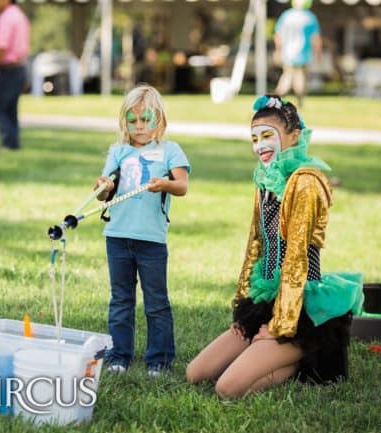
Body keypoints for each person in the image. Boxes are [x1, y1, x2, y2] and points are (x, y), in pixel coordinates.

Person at [186, 95, 363, 398]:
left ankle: (307, 352)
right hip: (268, 296)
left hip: (300, 307)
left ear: (294, 136)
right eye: (254, 138)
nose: (259, 145)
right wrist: (246, 310)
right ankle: (289, 362)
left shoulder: (306, 182)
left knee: (226, 389)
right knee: (196, 374)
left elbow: (296, 259)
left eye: (267, 135)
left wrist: (281, 325)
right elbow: (256, 244)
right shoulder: (266, 179)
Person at [95, 85, 190, 377]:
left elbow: (182, 186)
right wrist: (103, 186)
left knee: (156, 302)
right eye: (132, 120)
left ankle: (159, 360)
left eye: (145, 119)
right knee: (121, 299)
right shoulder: (118, 151)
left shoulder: (169, 150)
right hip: (118, 237)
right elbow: (102, 194)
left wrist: (165, 184)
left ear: (158, 119)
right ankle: (119, 355)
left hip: (150, 240)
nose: (139, 127)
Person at [0, 0, 29, 150]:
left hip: (8, 68)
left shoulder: (6, 17)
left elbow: (1, 46)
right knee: (11, 109)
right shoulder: (21, 16)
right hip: (20, 67)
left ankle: (8, 142)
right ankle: (14, 143)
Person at [274, 0, 322, 107]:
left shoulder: (286, 15)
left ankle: (278, 97)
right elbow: (316, 38)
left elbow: (278, 35)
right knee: (299, 76)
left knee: (287, 74)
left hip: (287, 53)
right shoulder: (310, 17)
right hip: (303, 53)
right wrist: (318, 54)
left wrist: (278, 50)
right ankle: (299, 99)